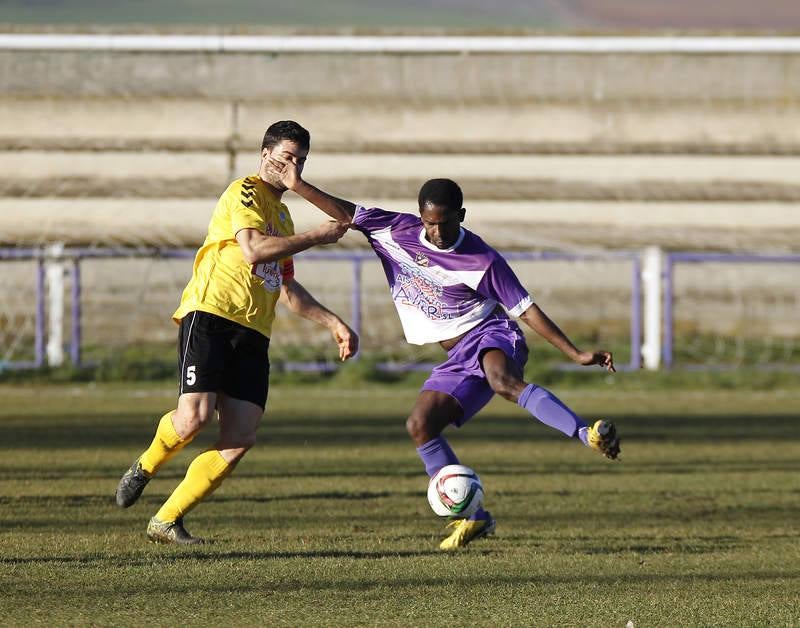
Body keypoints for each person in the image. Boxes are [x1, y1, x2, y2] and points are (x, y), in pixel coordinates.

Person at [267, 163, 621, 551]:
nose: (436, 232)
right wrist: (297, 184)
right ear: (420, 216)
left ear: (461, 216)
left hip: (492, 334)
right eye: (430, 223)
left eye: (445, 223)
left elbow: (527, 310)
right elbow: (345, 213)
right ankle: (474, 516)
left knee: (503, 382)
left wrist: (576, 353)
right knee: (420, 425)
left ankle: (586, 434)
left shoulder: (482, 259)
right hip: (456, 357)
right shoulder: (394, 229)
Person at [115, 120, 358, 544]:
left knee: (241, 437)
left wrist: (333, 322)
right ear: (265, 155)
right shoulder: (245, 190)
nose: (293, 167)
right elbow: (253, 250)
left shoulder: (283, 215)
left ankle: (165, 520)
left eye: (301, 161)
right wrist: (316, 236)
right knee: (194, 419)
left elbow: (286, 287)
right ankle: (146, 465)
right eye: (286, 158)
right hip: (212, 313)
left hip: (253, 333)